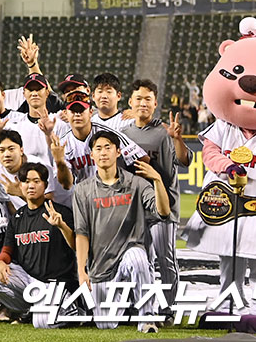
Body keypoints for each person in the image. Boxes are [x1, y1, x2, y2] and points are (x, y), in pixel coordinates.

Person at [72, 129, 170, 332]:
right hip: (101, 267)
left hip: (128, 255)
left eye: (108, 147)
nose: (103, 152)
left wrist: (158, 180)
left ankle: (147, 319)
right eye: (98, 148)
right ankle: (127, 305)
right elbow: (82, 233)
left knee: (137, 256)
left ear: (118, 152)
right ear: (92, 155)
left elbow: (163, 211)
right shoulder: (82, 190)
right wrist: (82, 271)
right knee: (105, 324)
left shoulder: (137, 183)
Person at [0, 162, 78, 327]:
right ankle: (30, 310)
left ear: (45, 185)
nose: (31, 185)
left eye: (36, 181)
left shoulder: (60, 212)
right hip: (30, 281)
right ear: (20, 185)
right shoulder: (18, 217)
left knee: (42, 323)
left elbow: (76, 246)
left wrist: (62, 226)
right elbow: (7, 249)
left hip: (56, 282)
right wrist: (1, 261)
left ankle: (73, 309)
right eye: (26, 181)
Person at [121, 80, 188, 309]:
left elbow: (183, 162)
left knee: (165, 259)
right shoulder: (124, 133)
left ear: (155, 103)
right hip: (137, 207)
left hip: (163, 206)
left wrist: (176, 138)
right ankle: (147, 305)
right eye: (138, 98)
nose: (143, 103)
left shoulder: (164, 132)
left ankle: (167, 308)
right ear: (130, 102)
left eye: (148, 99)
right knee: (144, 260)